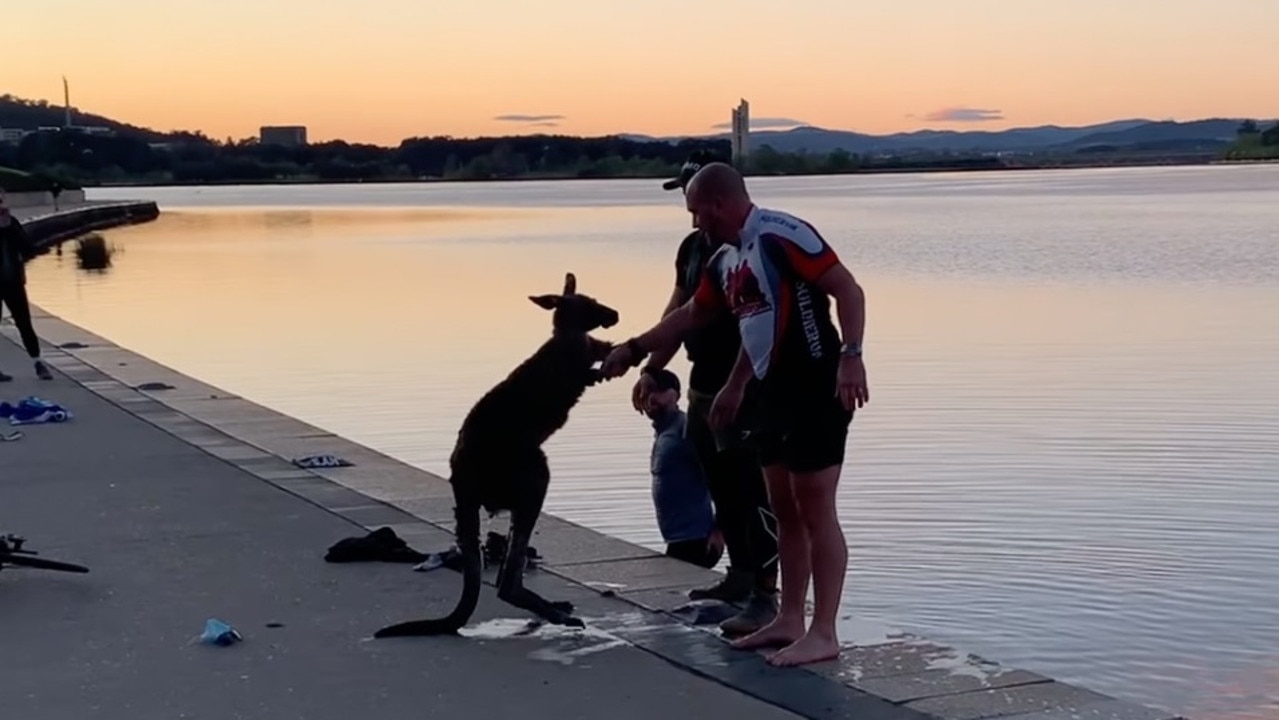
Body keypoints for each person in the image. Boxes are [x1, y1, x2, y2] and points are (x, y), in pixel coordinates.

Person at [601, 162, 869, 668]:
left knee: (815, 510)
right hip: (768, 394)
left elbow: (848, 290)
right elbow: (697, 315)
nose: (695, 223)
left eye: (696, 213)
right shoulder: (726, 259)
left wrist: (851, 356)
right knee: (783, 509)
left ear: (718, 204)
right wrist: (637, 349)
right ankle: (788, 617)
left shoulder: (782, 234)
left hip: (815, 387)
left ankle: (824, 631)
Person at [633, 150, 781, 638]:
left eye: (694, 200)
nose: (690, 211)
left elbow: (759, 322)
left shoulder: (753, 246)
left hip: (747, 381)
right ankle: (737, 576)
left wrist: (739, 385)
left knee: (750, 484)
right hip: (701, 378)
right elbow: (682, 309)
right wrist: (653, 368)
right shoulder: (692, 248)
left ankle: (766, 592)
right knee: (719, 480)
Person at [642, 367, 724, 570]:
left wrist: (720, 530)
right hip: (677, 541)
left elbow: (721, 478)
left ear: (674, 395)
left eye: (657, 390)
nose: (650, 397)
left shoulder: (685, 429)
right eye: (645, 391)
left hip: (696, 541)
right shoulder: (663, 431)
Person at [0, 189, 53, 382]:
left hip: (13, 281)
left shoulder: (12, 223)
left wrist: (9, 228)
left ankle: (38, 362)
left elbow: (27, 248)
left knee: (24, 322)